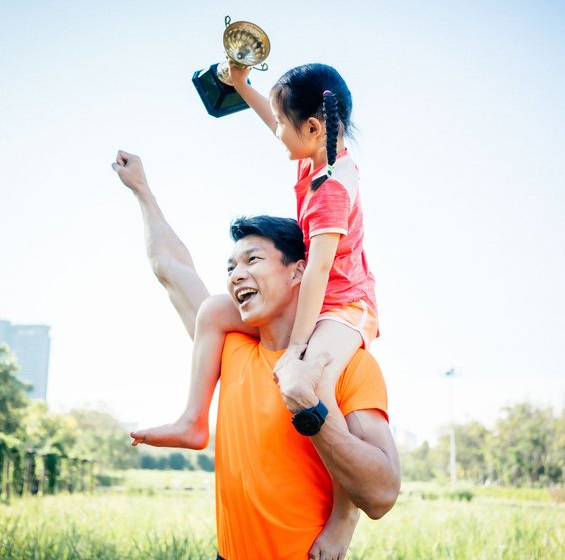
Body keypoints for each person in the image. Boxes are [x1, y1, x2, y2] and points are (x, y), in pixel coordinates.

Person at [131, 63, 376, 557]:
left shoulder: (331, 190)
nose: (276, 131)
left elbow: (317, 272)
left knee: (313, 384)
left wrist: (299, 349)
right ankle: (193, 420)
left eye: (283, 123)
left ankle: (342, 519)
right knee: (212, 311)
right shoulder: (317, 157)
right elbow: (277, 123)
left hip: (345, 306)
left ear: (313, 127)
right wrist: (241, 86)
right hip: (317, 296)